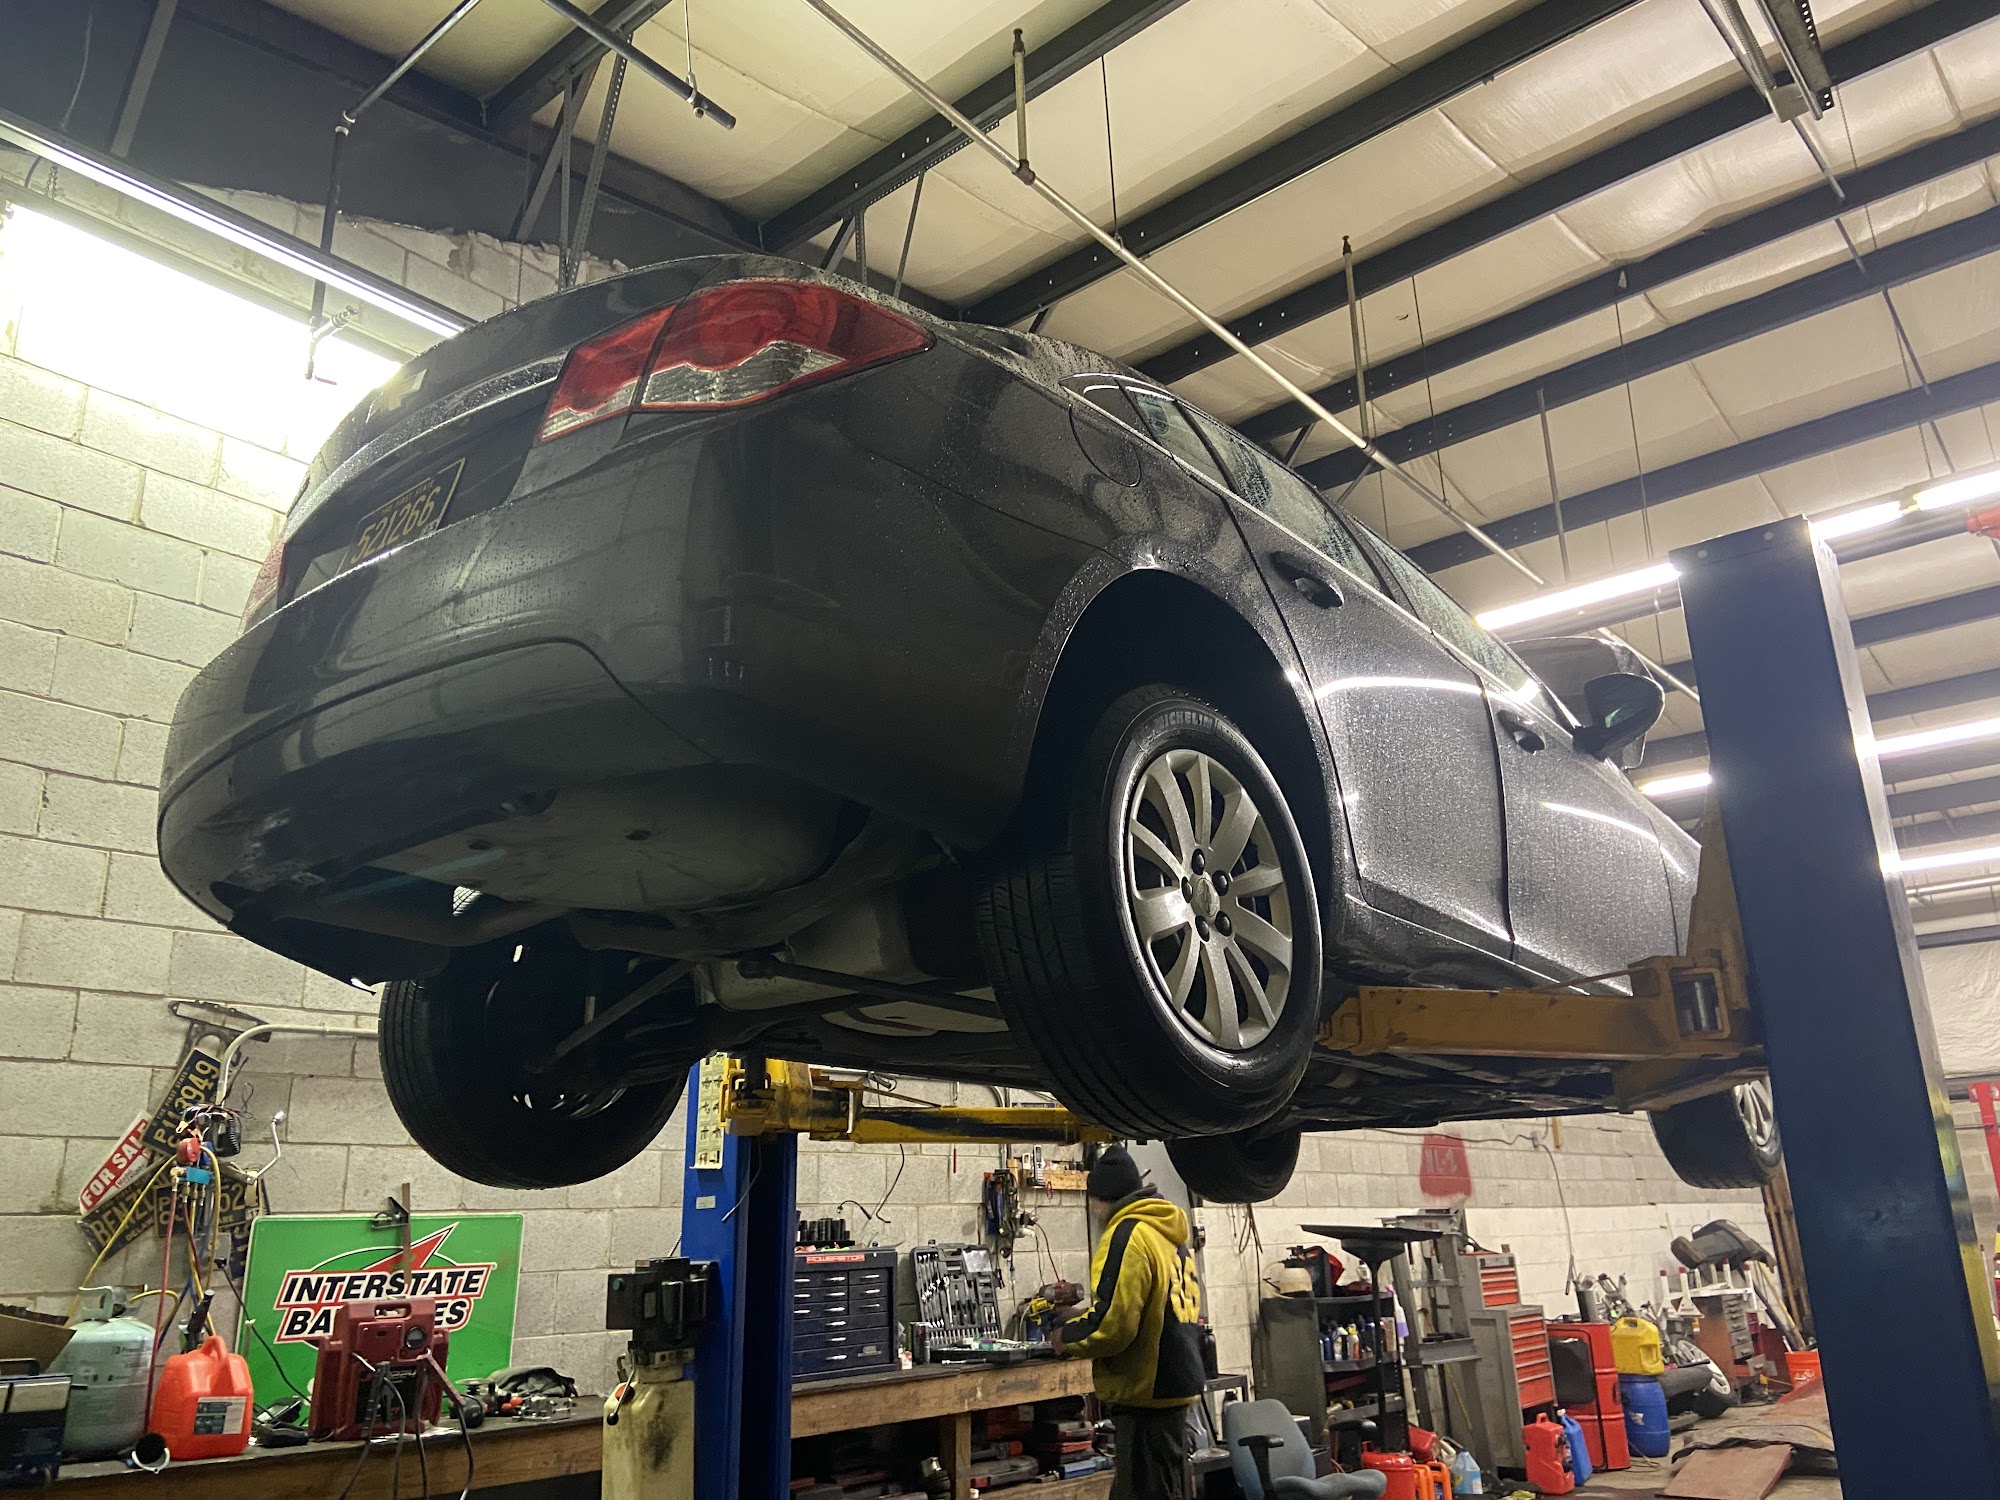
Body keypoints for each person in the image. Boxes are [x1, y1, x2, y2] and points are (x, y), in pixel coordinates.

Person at [1053, 1145, 1205, 1500]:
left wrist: (1067, 1336)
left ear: (1100, 1199)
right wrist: (1083, 1316)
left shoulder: (1126, 1234)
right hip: (1174, 1384)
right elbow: (1152, 1307)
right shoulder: (1166, 1233)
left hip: (1146, 1394)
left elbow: (1115, 1326)